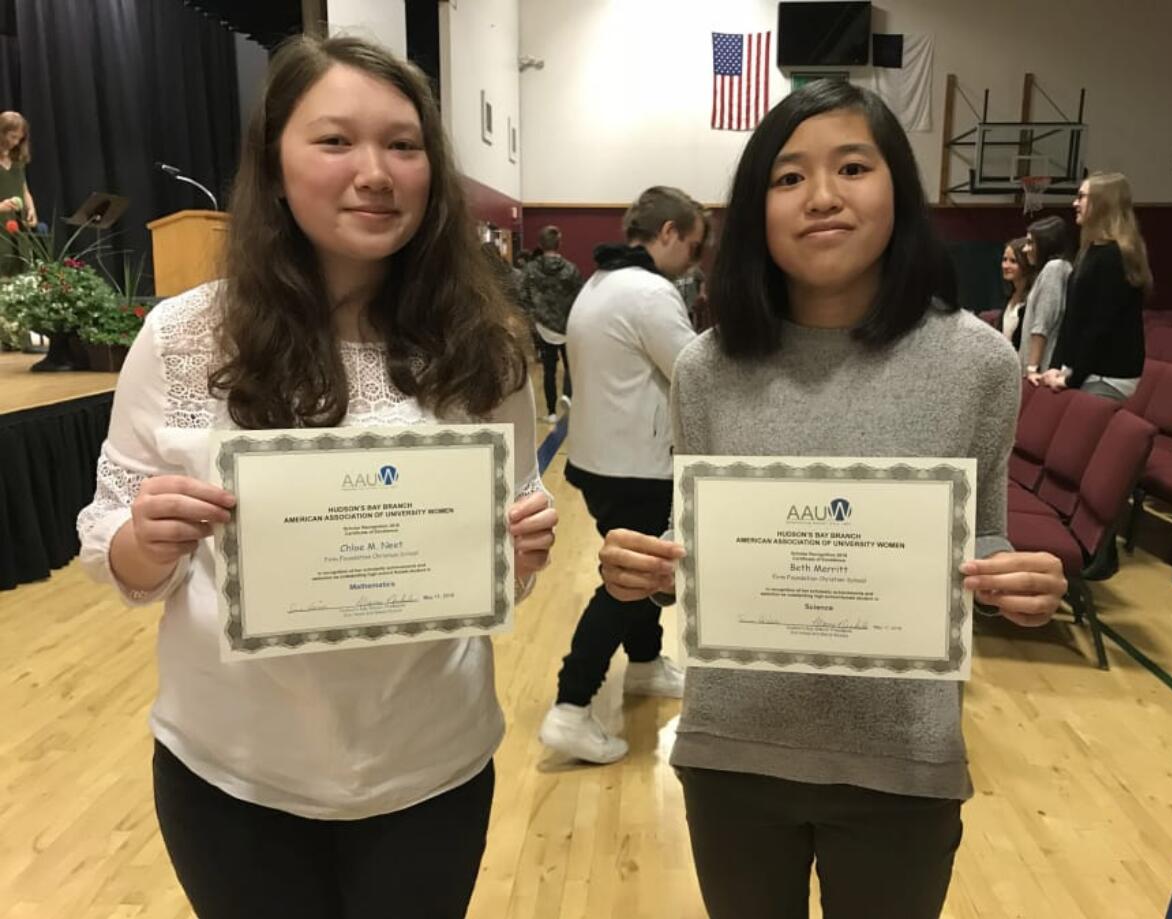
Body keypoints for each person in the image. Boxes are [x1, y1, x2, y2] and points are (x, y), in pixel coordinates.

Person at [75, 36, 557, 919]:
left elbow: (506, 573)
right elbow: (121, 556)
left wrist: (518, 555)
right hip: (232, 772)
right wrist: (145, 538)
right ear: (275, 162)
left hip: (430, 766)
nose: (374, 171)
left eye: (403, 145)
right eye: (335, 141)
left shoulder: (485, 351)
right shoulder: (184, 339)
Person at [595, 81, 1066, 918]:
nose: (821, 197)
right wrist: (654, 565)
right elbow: (698, 544)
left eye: (852, 166)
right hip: (734, 751)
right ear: (755, 208)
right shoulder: (707, 368)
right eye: (787, 178)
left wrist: (1012, 579)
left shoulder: (979, 364)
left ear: (899, 190)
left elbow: (980, 534)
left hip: (901, 756)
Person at [538, 186, 707, 764]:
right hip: (638, 465)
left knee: (639, 571)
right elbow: (696, 375)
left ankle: (642, 665)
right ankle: (570, 707)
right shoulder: (650, 292)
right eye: (693, 244)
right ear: (667, 233)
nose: (695, 258)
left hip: (600, 460)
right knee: (631, 580)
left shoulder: (599, 282)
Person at [1040, 172, 1150, 401]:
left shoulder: (1115, 256)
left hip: (1107, 377)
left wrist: (1071, 379)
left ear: (1102, 204)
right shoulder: (1089, 252)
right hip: (1083, 373)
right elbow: (1071, 318)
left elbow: (1100, 327)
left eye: (1081, 196)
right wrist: (1055, 366)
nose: (1075, 203)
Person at [521, 225, 583, 422]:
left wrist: (534, 316)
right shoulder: (571, 269)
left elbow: (523, 296)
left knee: (548, 371)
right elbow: (579, 298)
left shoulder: (530, 270)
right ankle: (567, 394)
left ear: (540, 244)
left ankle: (551, 412)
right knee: (570, 365)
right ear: (559, 243)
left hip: (543, 326)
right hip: (567, 325)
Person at [1018, 214, 1072, 381]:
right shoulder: (1051, 269)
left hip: (1041, 370)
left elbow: (1042, 324)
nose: (1025, 249)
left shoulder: (1054, 269)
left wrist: (1032, 368)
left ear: (1046, 244)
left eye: (1030, 243)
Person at [0, 110, 37, 276]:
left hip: (17, 224)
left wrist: (31, 209)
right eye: (12, 136)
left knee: (21, 267)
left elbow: (23, 188)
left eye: (19, 139)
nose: (15, 142)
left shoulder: (17, 159)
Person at [997, 236, 1033, 349]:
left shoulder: (1031, 299)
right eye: (1004, 259)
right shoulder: (1009, 297)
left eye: (1013, 261)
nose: (1006, 266)